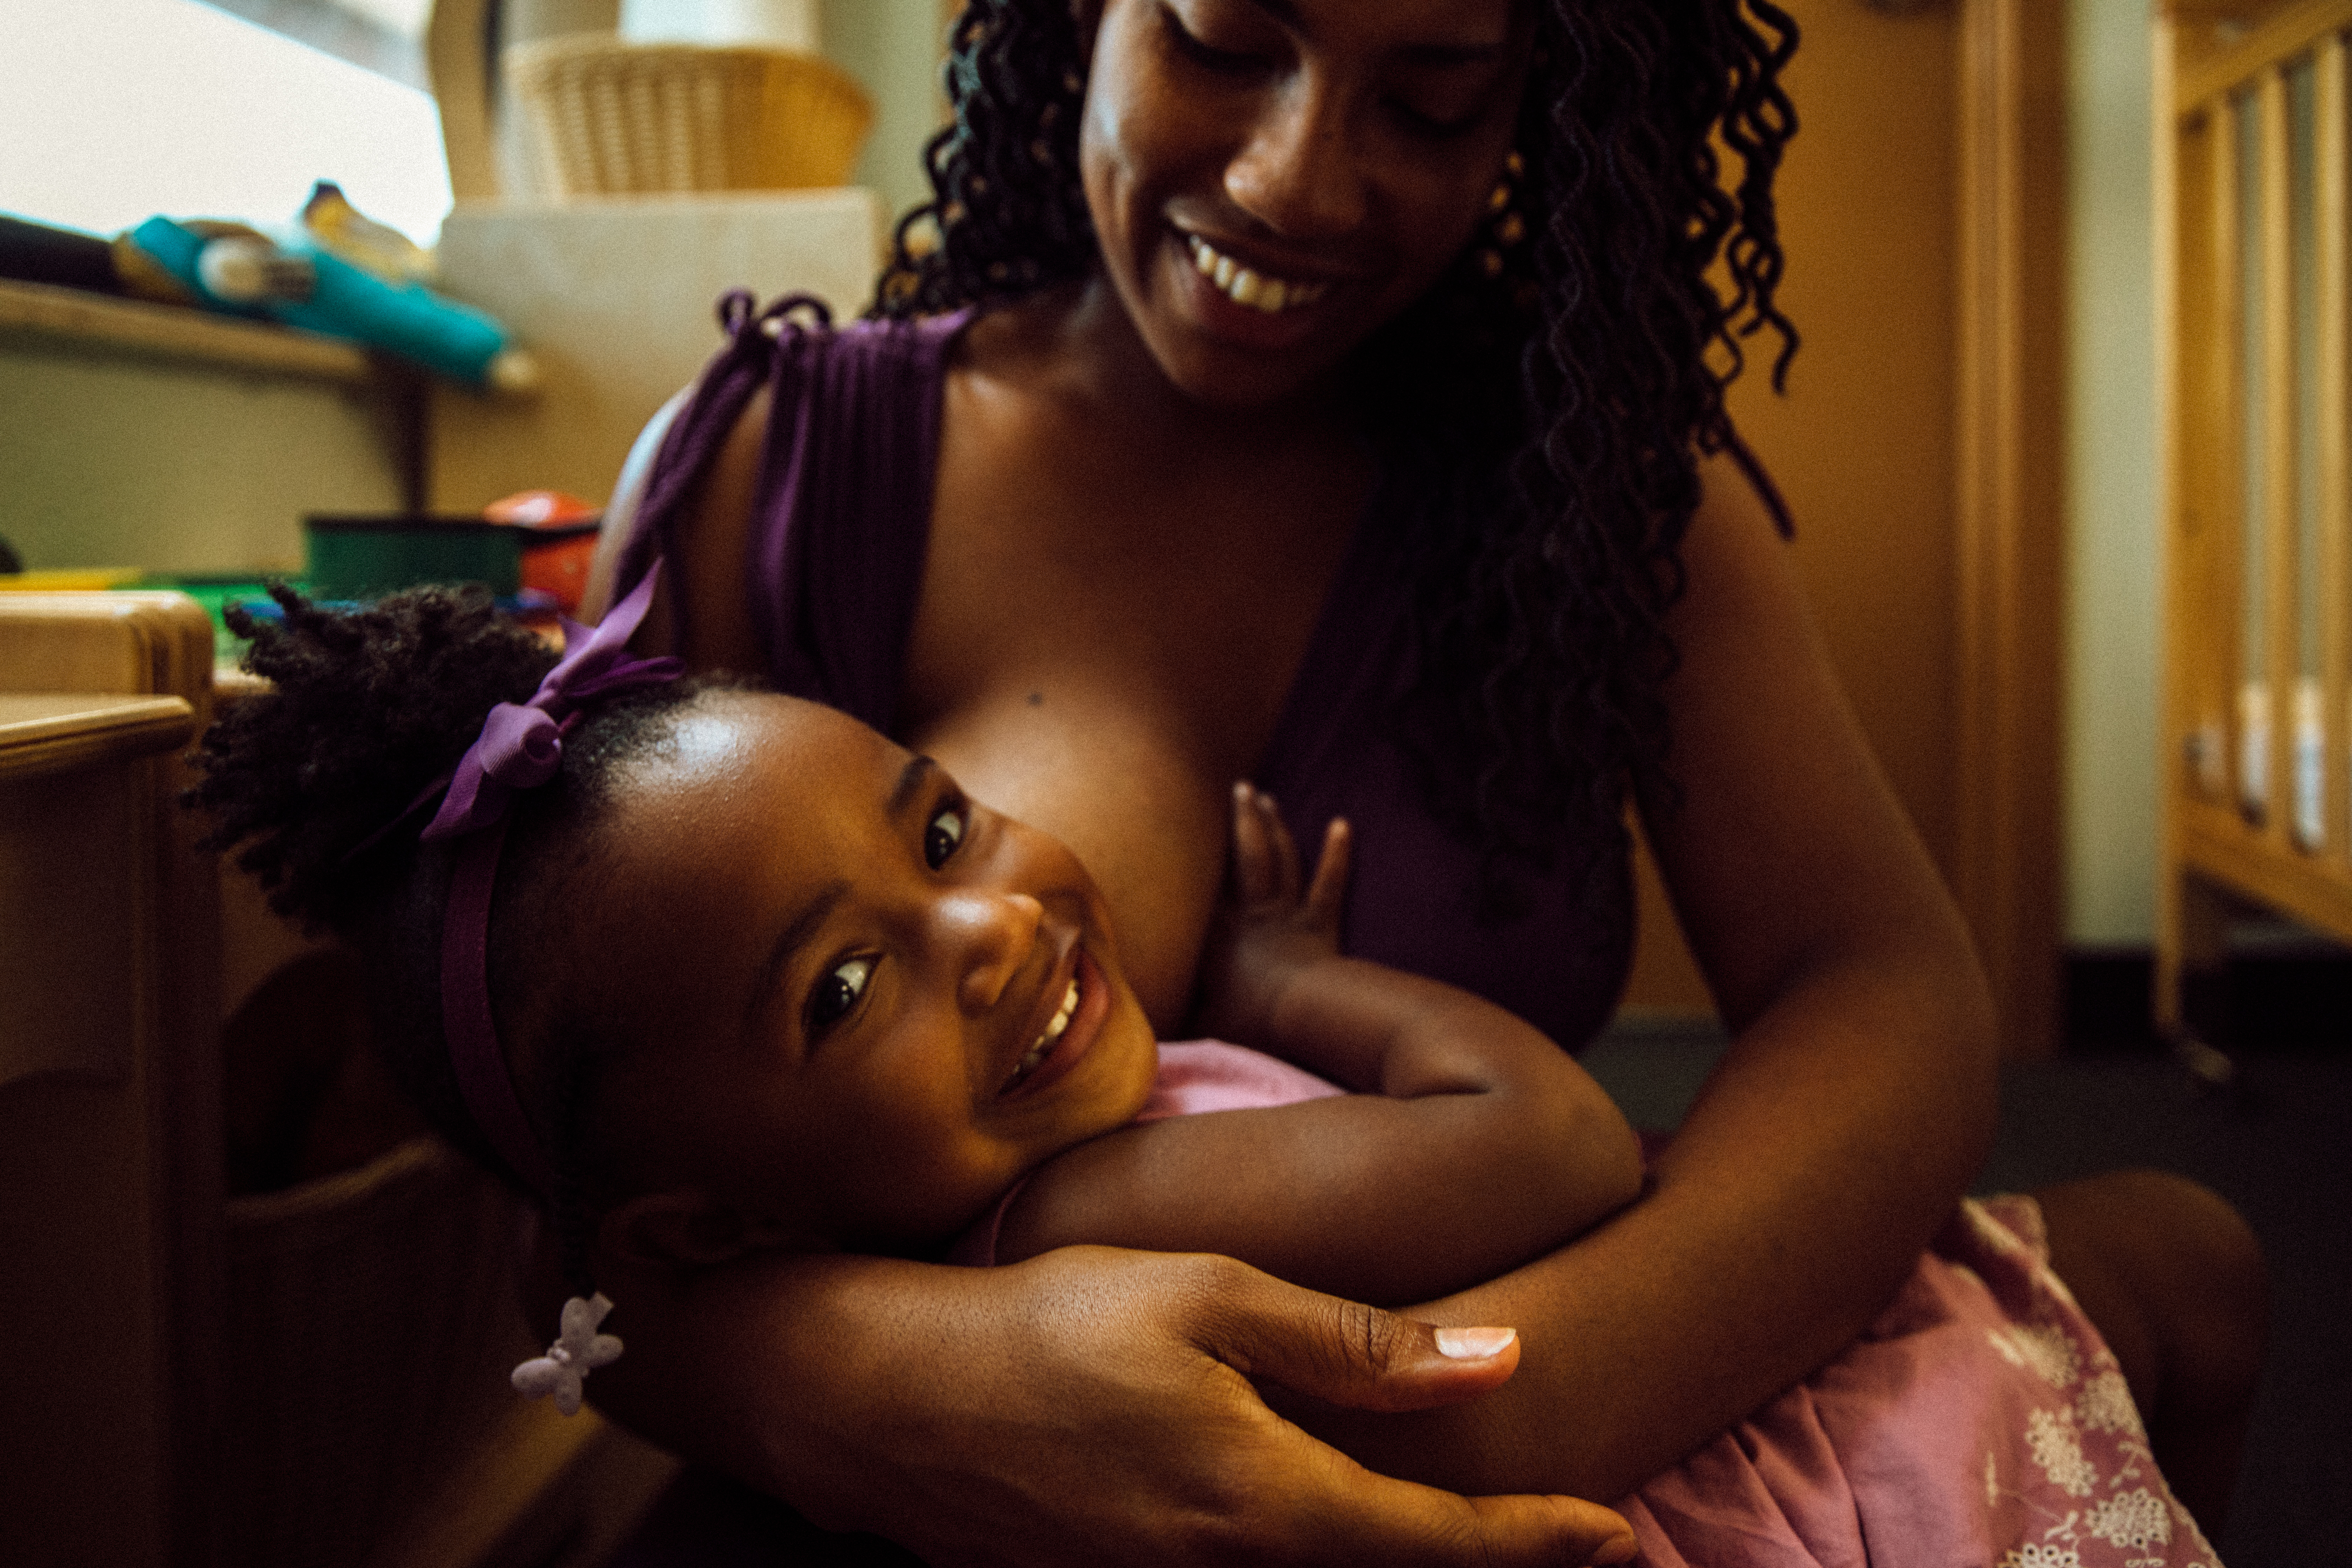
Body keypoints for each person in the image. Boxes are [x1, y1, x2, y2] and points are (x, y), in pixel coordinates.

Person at [569, 0, 2268, 1561]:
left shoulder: (1591, 493)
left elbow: (1880, 990)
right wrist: (901, 1381)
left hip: (1556, 1350)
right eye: (1224, 37)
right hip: (997, 1500)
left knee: (2197, 1257)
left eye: (1436, 98)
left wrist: (1505, 1403)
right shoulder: (767, 475)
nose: (1296, 180)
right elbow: (553, 1193)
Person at [190, 578, 2222, 1568]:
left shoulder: (1026, 1182)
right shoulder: (1100, 1204)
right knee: (2188, 1264)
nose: (987, 929)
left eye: (941, 827)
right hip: (1711, 1478)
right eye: (841, 992)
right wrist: (1296, 983)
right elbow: (1565, 1142)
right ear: (708, 1217)